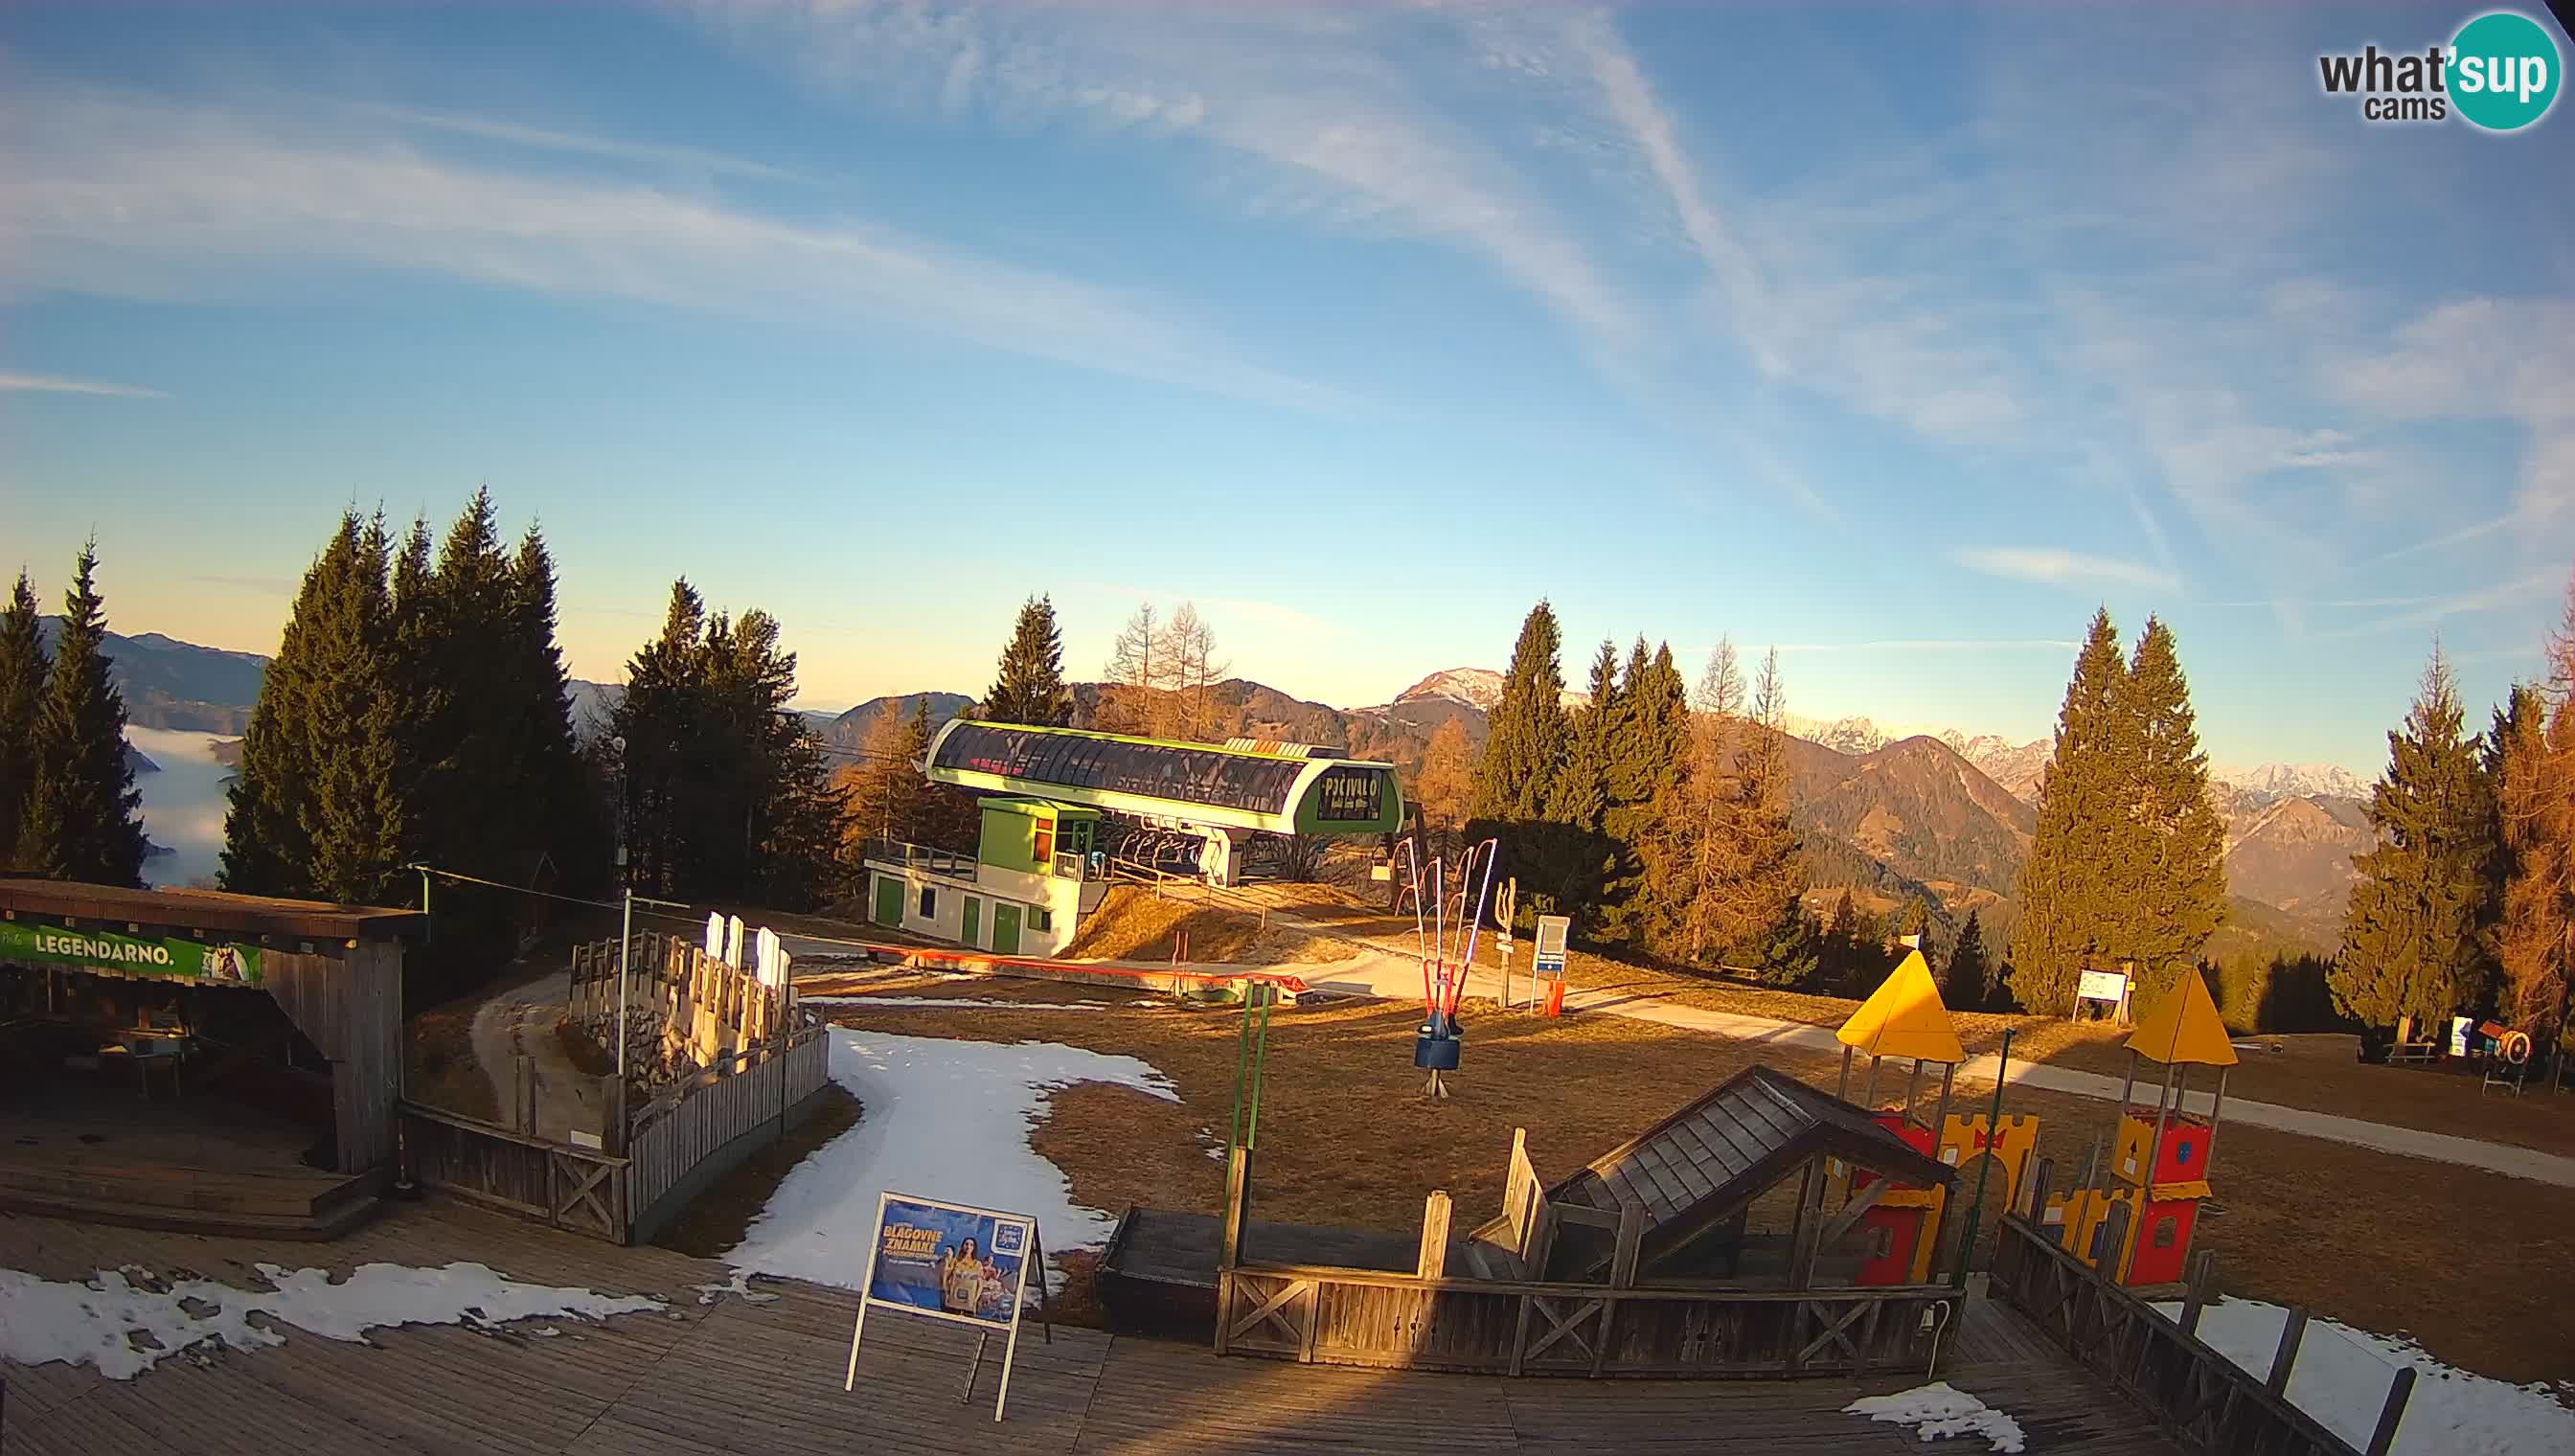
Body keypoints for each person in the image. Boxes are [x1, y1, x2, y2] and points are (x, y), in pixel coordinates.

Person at [939, 1238, 984, 1316]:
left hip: (968, 1305)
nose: (968, 1247)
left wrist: (975, 1300)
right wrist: (947, 1292)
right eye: (966, 1244)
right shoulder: (956, 1261)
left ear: (974, 1248)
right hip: (953, 1303)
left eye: (971, 1245)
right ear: (963, 1246)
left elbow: (980, 1285)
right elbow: (946, 1277)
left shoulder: (977, 1264)